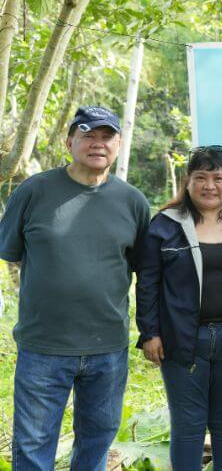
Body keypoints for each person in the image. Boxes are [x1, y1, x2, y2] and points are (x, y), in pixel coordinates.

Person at [0, 106, 150, 470]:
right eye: (88, 135)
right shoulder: (34, 191)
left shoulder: (133, 202)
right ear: (70, 142)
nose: (98, 143)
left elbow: (146, 273)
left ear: (118, 144)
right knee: (33, 447)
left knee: (96, 444)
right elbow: (11, 252)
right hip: (44, 346)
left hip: (108, 349)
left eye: (107, 136)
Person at [135, 145, 222, 470]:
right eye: (201, 177)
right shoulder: (165, 226)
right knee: (188, 427)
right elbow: (147, 283)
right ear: (187, 182)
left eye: (217, 177)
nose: (209, 185)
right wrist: (150, 333)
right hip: (182, 340)